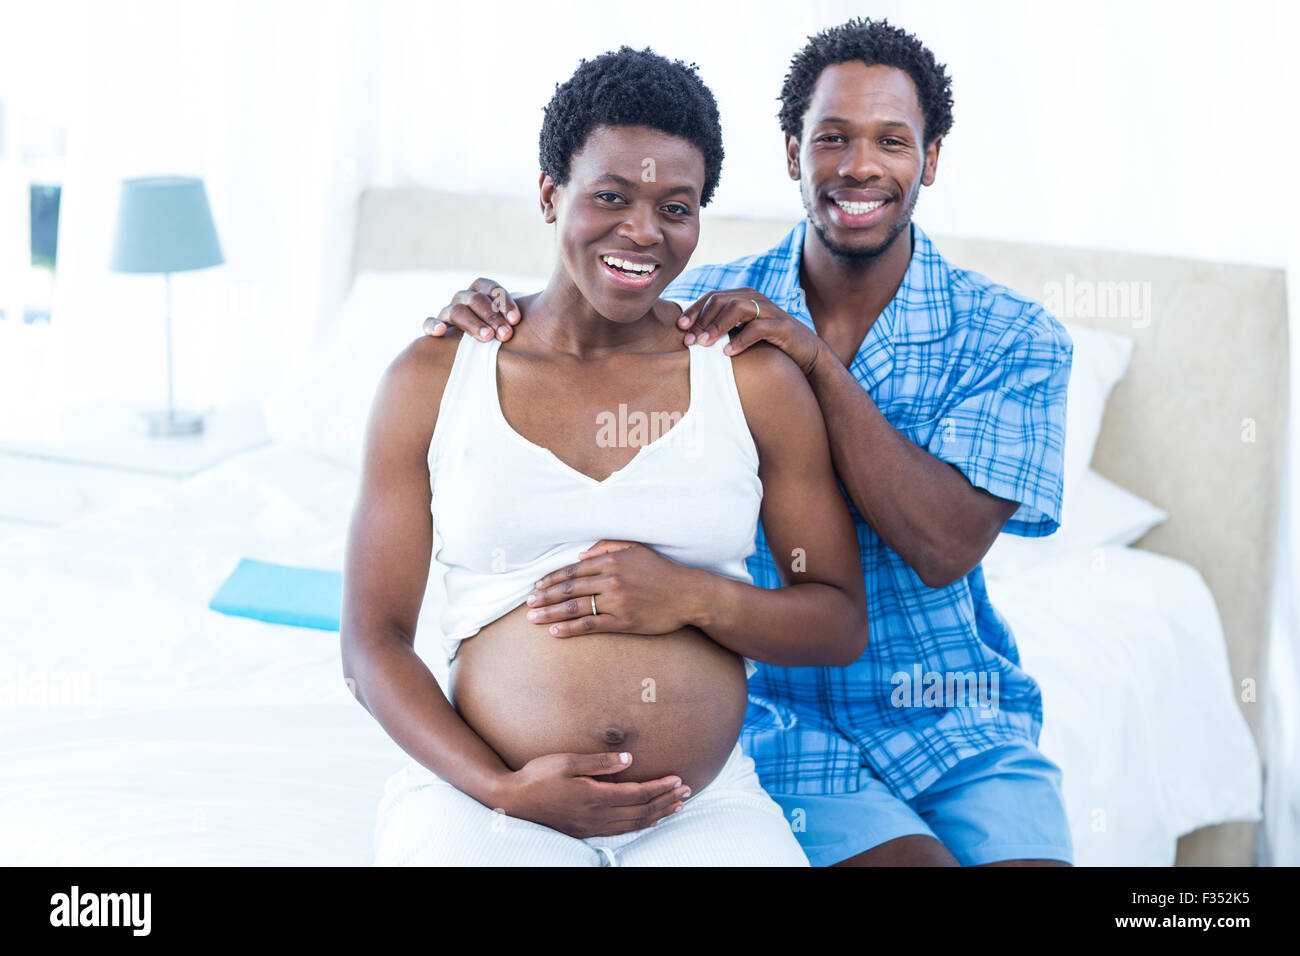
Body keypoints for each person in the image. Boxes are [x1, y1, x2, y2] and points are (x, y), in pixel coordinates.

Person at [423, 19, 1075, 867]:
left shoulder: (1013, 337)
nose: (860, 166)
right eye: (831, 138)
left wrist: (813, 361)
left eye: (893, 140)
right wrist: (491, 314)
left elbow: (944, 545)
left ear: (934, 157)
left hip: (955, 712)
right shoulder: (708, 315)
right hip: (775, 716)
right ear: (792, 152)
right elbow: (599, 304)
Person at [341, 46, 867, 867]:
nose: (643, 232)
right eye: (611, 197)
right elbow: (371, 643)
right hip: (487, 798)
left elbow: (836, 620)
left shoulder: (749, 377)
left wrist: (691, 597)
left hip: (701, 808)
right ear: (551, 195)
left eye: (676, 206)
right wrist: (501, 787)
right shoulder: (436, 375)